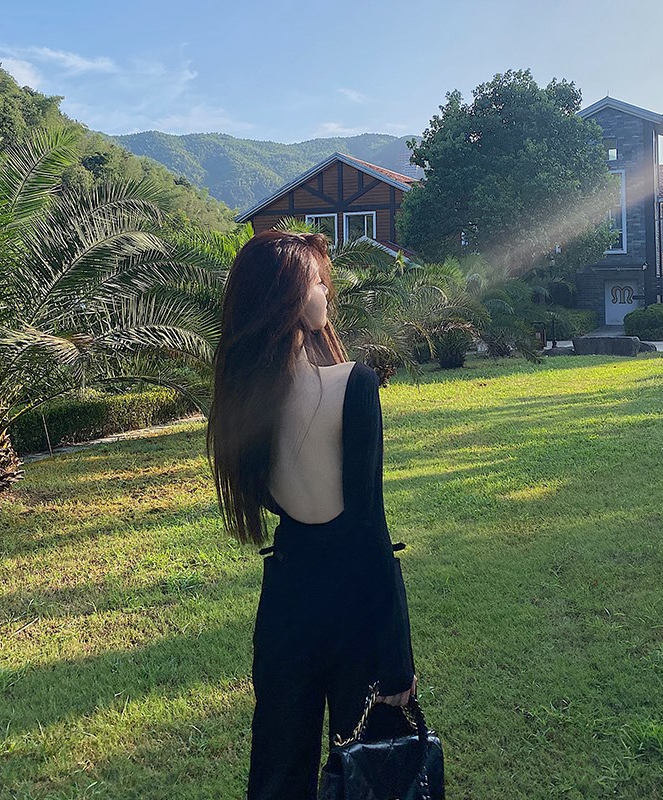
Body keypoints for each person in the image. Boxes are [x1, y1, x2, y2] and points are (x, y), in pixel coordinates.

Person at [206, 229, 417, 800]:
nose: (327, 293)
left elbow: (265, 497)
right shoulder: (354, 384)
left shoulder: (240, 402)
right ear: (294, 300)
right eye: (320, 282)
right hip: (354, 602)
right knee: (368, 771)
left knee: (278, 770)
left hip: (286, 601)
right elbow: (368, 526)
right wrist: (397, 658)